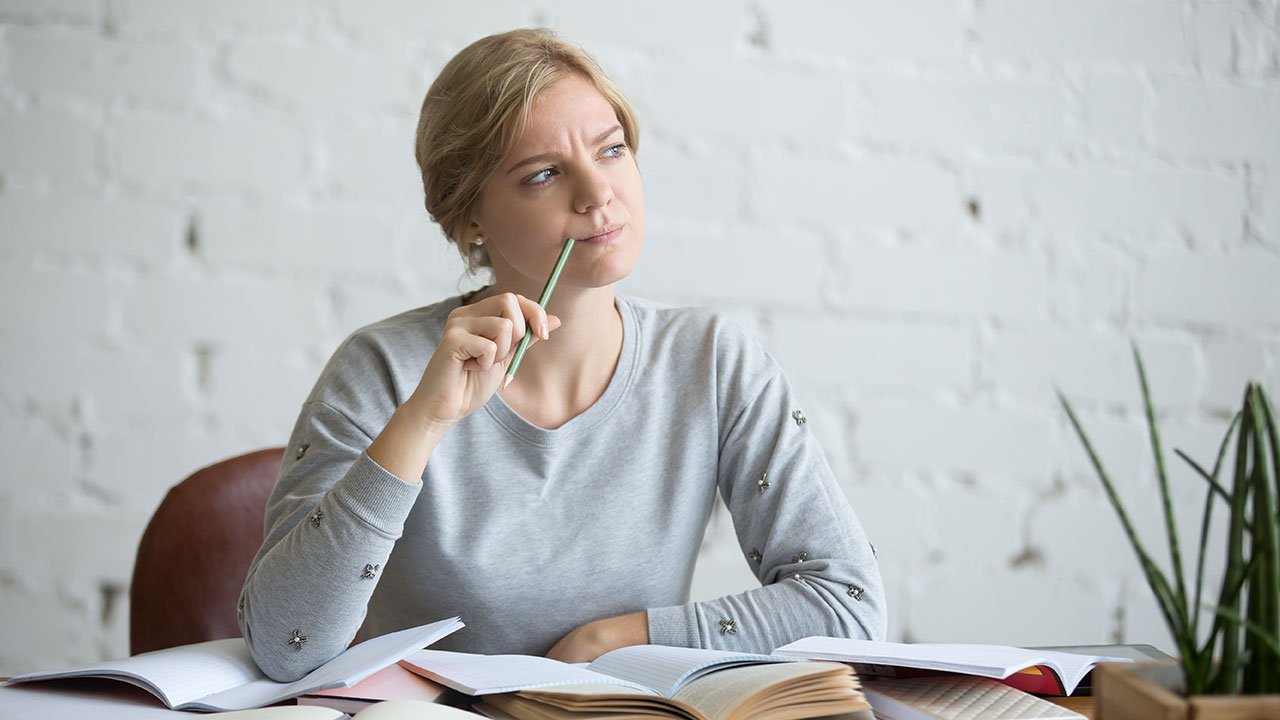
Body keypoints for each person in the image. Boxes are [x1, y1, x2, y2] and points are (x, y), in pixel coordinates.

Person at [238, 27, 885, 683]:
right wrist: (423, 423)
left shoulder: (714, 361)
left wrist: (619, 639)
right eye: (544, 174)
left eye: (611, 150)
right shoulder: (379, 369)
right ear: (469, 220)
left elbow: (850, 607)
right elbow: (285, 647)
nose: (597, 194)